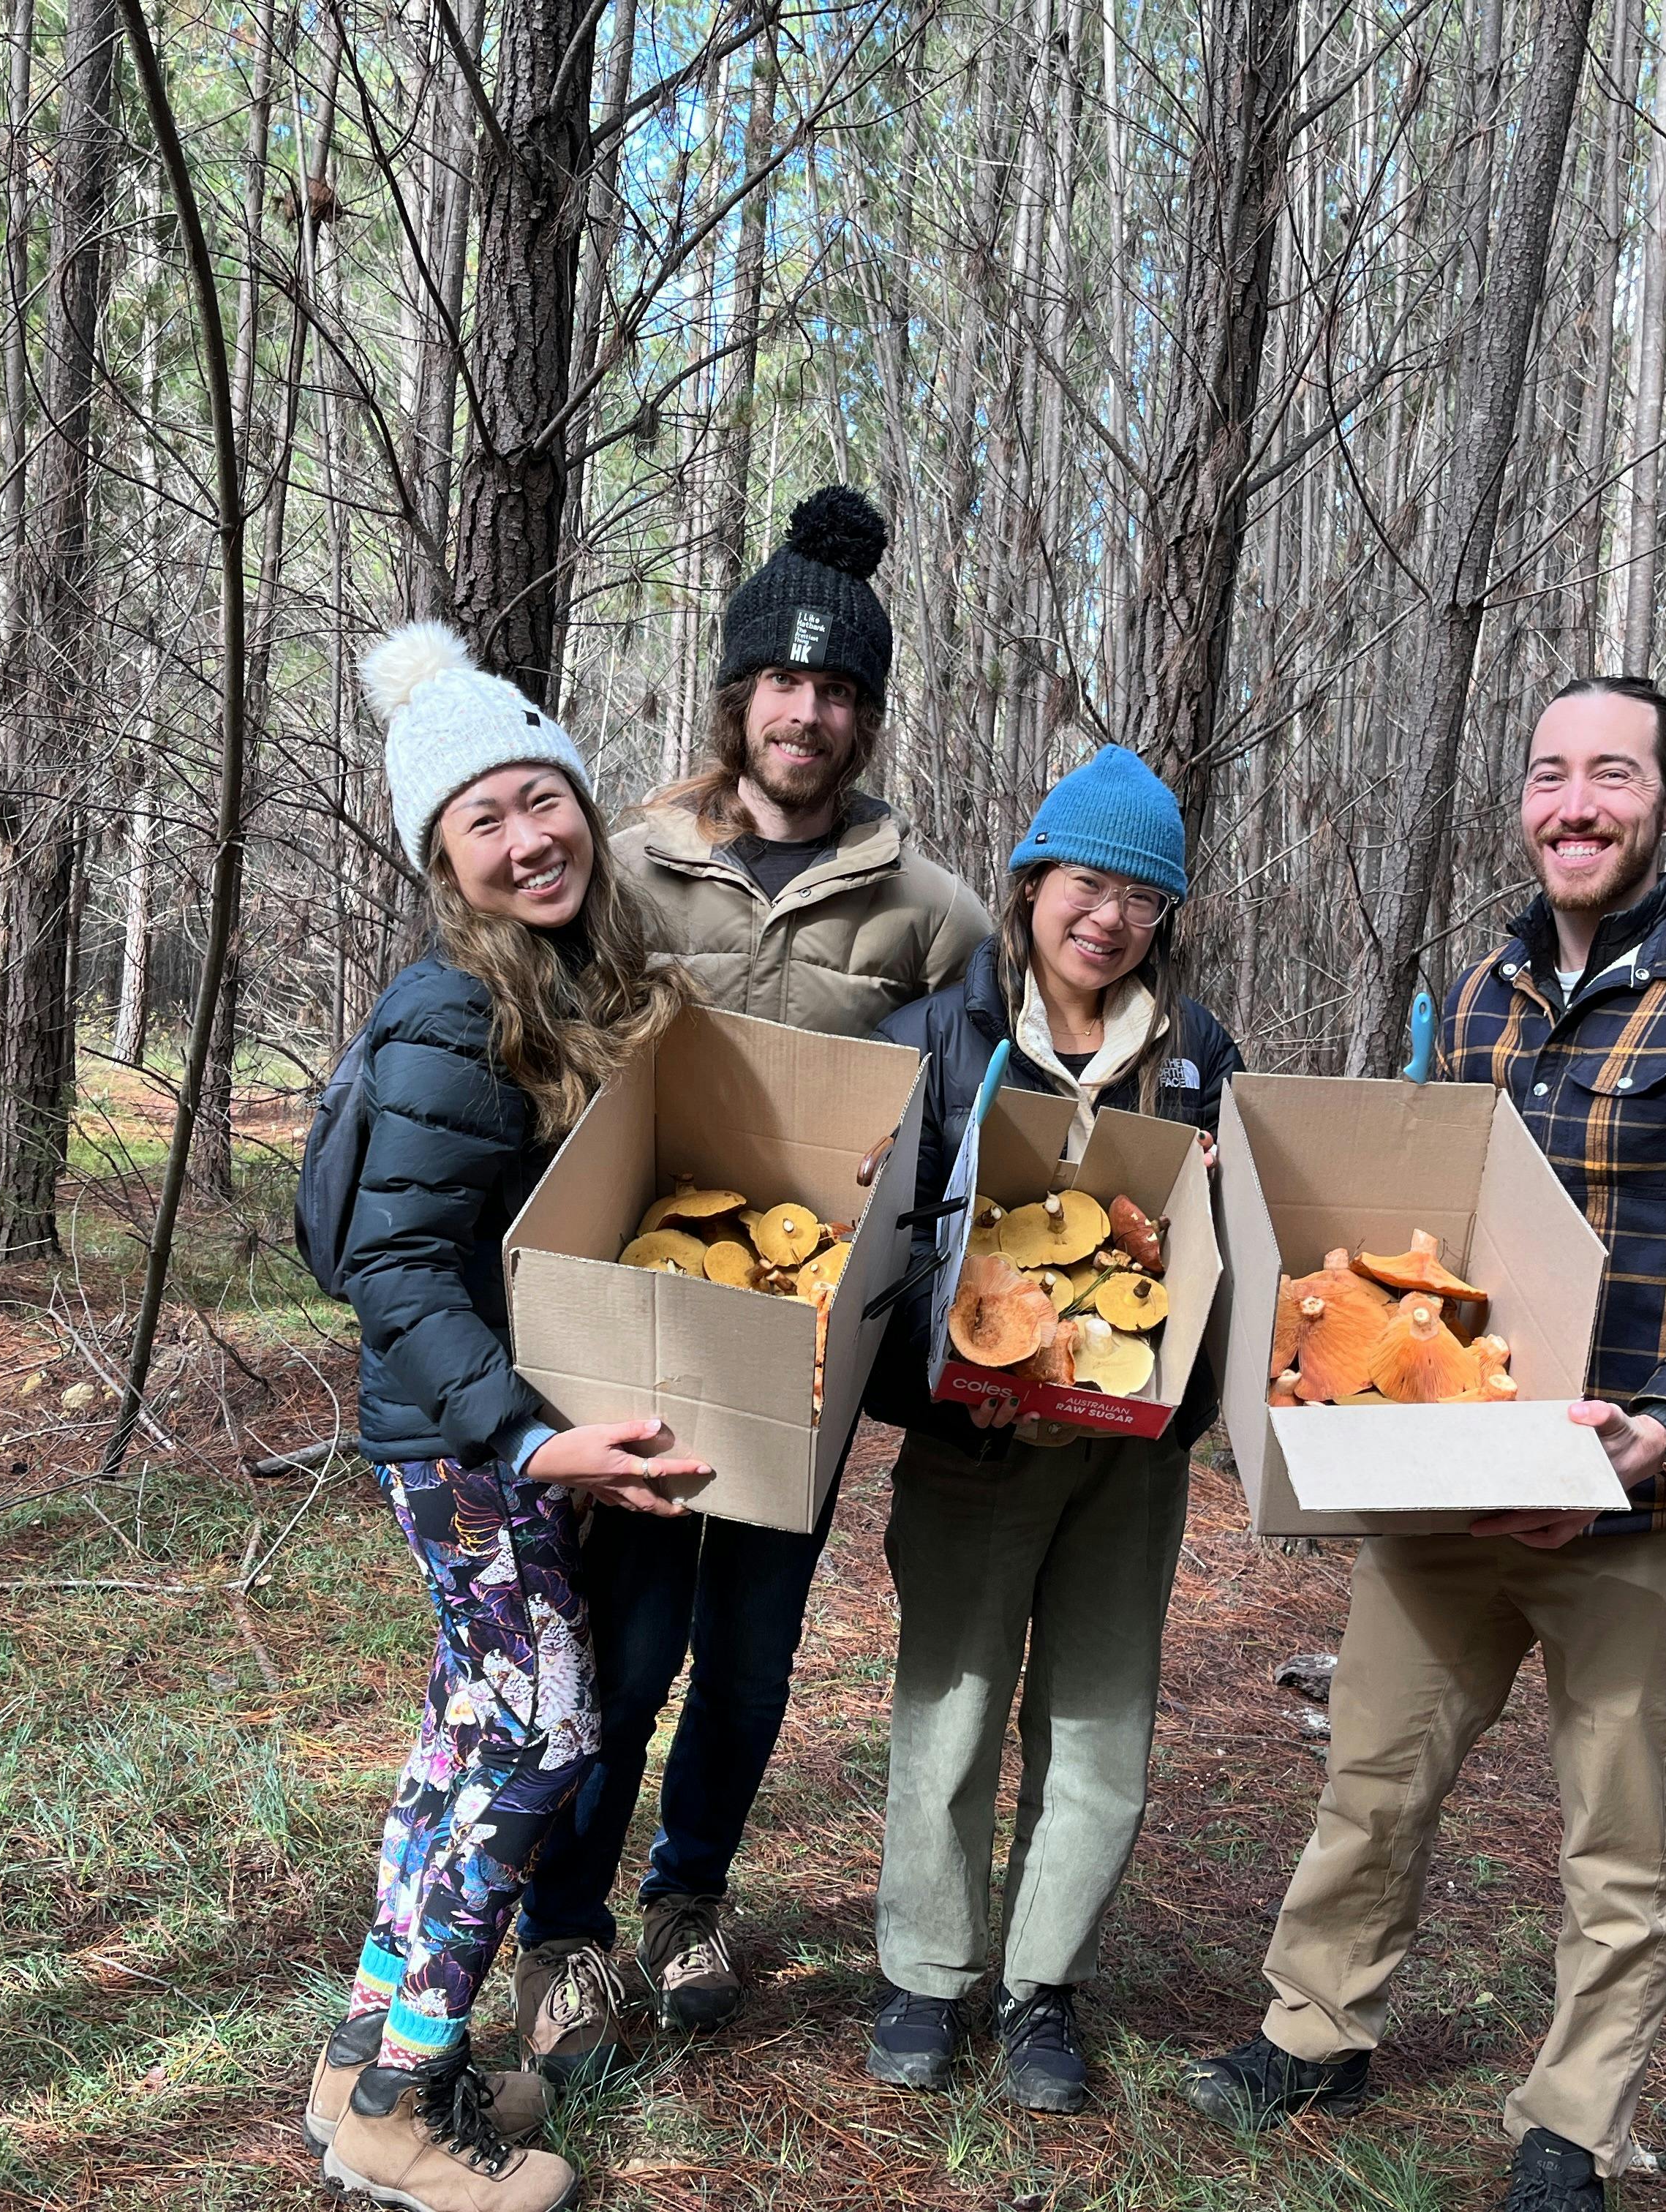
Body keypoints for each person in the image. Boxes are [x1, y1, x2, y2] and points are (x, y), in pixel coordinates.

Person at [1182, 677, 1666, 2212]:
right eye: (1551, 774)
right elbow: (1427, 1242)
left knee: (1617, 1835)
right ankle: (1319, 2025)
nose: (1575, 805)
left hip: (1644, 1505)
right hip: (1452, 1480)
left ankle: (1571, 2123)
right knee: (1374, 1772)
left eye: (1611, 776)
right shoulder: (1486, 990)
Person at [508, 486, 990, 2077]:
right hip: (645, 1320)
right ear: (739, 696)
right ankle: (561, 1930)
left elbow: (966, 1123)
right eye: (785, 682)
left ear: (865, 717)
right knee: (625, 1649)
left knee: (753, 1659)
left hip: (806, 1355)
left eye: (841, 688)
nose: (810, 710)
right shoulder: (635, 864)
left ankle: (688, 1894)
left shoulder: (932, 914)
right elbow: (545, 1051)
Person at [304, 621, 705, 2212]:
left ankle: (369, 2051)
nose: (530, 836)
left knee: (464, 1733)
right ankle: (407, 2107)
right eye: (487, 819)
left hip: (485, 1438)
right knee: (542, 1735)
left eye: (546, 800)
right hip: (468, 1450)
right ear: (442, 858)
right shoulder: (451, 1016)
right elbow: (395, 1265)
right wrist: (530, 1441)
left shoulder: (557, 985)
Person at [857, 745, 1243, 2115]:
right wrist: (956, 1373)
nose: (1110, 917)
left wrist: (1176, 1398)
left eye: (1144, 896)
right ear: (1032, 885)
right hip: (975, 1441)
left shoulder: (1197, 1059)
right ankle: (925, 1971)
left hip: (1128, 1462)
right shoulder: (937, 1037)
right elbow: (873, 1257)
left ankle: (1044, 1986)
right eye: (1088, 881)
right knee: (949, 1704)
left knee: (1100, 1718)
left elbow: (1225, 1266)